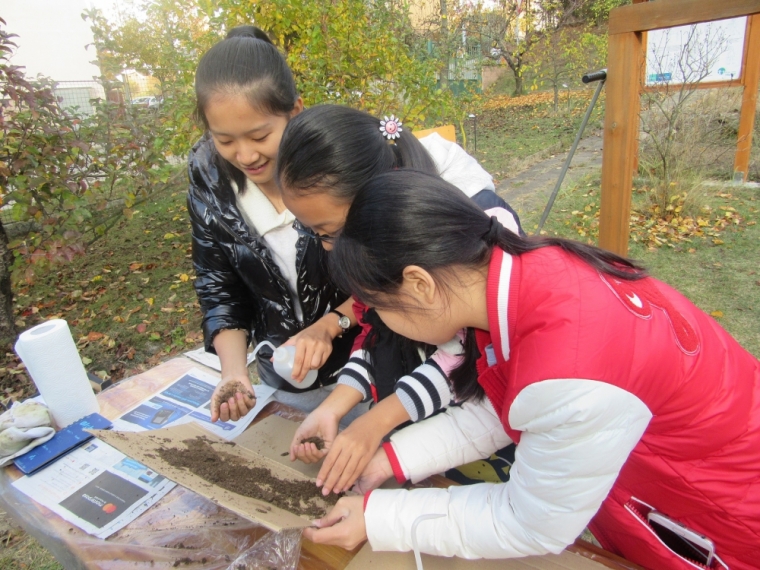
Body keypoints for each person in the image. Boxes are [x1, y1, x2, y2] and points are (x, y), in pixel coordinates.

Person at [303, 169, 760, 570]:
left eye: (381, 307)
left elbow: (529, 523)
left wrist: (380, 520)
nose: (379, 321)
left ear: (419, 284)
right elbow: (512, 407)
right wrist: (391, 460)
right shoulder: (522, 273)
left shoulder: (571, 366)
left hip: (719, 523)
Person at [276, 105, 522, 496]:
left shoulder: (470, 238)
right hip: (416, 440)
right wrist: (333, 408)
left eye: (330, 232)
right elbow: (375, 331)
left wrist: (372, 425)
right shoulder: (373, 240)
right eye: (316, 234)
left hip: (485, 444)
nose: (327, 248)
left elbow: (463, 362)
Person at [188, 27, 361, 422]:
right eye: (225, 140)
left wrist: (330, 325)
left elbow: (386, 273)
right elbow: (218, 286)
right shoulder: (209, 181)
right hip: (281, 379)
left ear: (295, 112)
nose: (245, 155)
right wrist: (234, 372)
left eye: (260, 135)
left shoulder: (335, 163)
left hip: (366, 366)